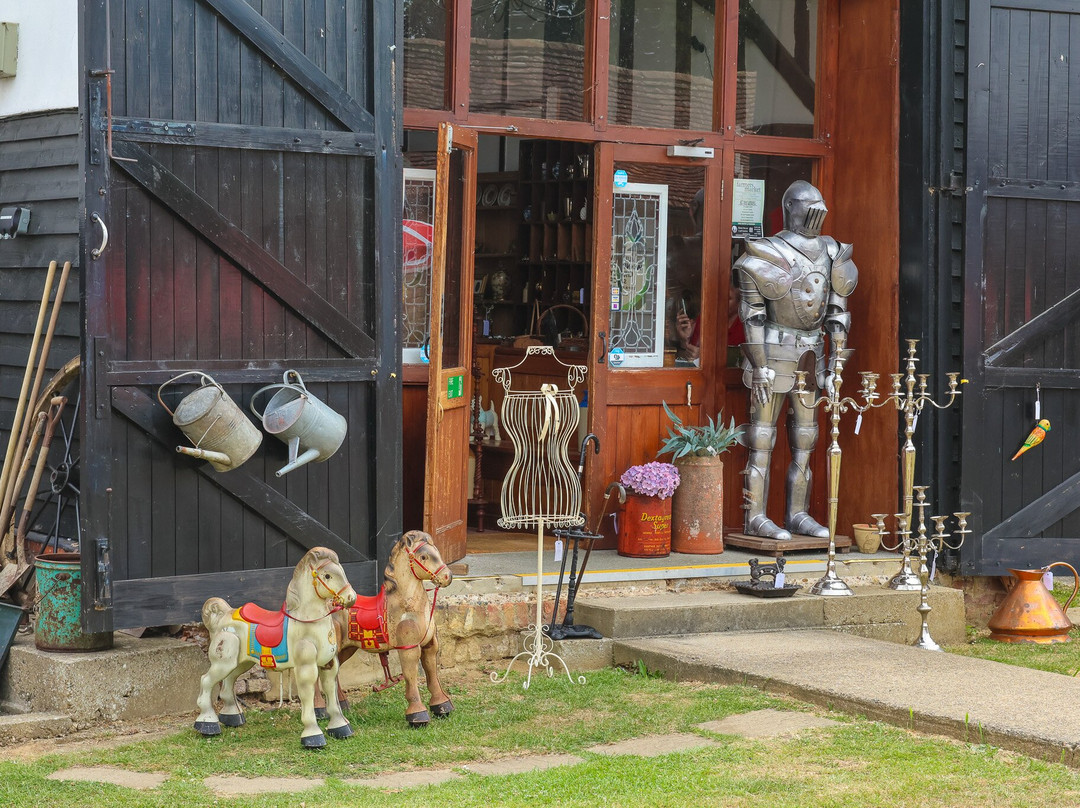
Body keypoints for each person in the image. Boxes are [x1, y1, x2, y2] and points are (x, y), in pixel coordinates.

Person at [734, 180, 857, 541]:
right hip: (772, 350)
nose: (818, 211)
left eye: (821, 203)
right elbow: (753, 316)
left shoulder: (833, 252)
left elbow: (838, 314)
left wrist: (836, 366)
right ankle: (755, 515)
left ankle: (797, 513)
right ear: (791, 208)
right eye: (809, 204)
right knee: (761, 437)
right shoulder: (764, 252)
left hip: (811, 354)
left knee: (807, 438)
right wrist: (758, 366)